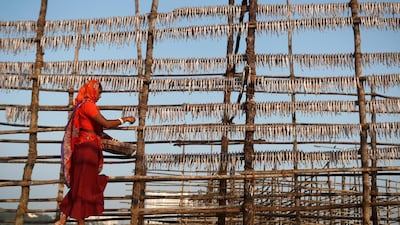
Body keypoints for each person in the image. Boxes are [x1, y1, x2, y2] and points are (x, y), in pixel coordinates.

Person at [56, 80, 135, 225]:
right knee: (86, 186)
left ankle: (64, 218)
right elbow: (106, 124)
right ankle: (70, 219)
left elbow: (96, 128)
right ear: (93, 91)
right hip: (87, 151)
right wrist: (124, 119)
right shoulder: (88, 105)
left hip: (83, 149)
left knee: (81, 185)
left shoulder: (81, 106)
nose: (100, 96)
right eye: (99, 93)